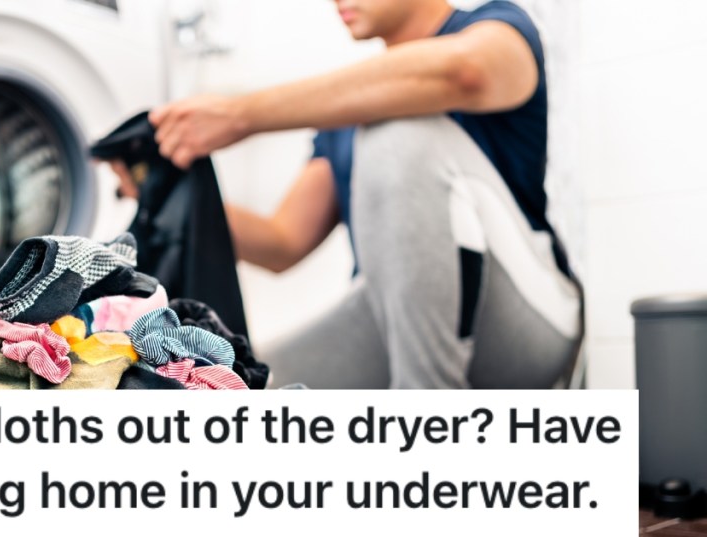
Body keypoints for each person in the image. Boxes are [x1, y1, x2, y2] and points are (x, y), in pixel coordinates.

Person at [110, 0, 582, 389]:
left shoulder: (496, 27)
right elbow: (283, 241)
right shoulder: (348, 113)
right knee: (239, 389)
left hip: (526, 325)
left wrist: (240, 115)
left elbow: (464, 72)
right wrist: (155, 191)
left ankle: (430, 421)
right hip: (393, 321)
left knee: (394, 129)